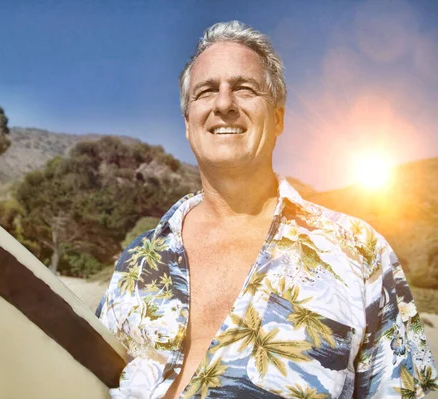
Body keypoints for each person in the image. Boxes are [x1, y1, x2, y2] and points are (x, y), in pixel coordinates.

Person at [96, 21, 437, 399]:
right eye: (206, 91)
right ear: (188, 125)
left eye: (244, 88)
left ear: (277, 118)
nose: (224, 104)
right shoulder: (137, 262)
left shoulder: (359, 252)